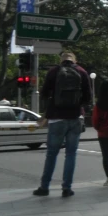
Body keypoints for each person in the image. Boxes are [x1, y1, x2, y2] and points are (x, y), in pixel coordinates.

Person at [33, 52, 91, 197]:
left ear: (61, 60)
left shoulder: (54, 71)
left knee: (51, 154)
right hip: (75, 118)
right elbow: (88, 97)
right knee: (71, 155)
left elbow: (44, 93)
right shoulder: (82, 72)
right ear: (74, 60)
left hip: (56, 118)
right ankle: (67, 188)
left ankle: (44, 187)